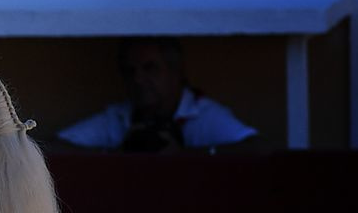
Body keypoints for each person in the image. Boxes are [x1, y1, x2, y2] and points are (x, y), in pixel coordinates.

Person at [55, 36, 254, 149]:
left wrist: (186, 157)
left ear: (176, 72)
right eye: (130, 71)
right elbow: (56, 148)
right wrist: (120, 154)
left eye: (150, 68)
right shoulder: (121, 117)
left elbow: (256, 149)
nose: (138, 79)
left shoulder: (200, 113)